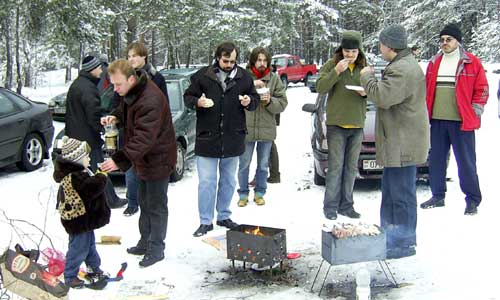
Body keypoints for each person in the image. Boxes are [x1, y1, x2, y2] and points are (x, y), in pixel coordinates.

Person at [360, 24, 429, 259]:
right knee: (392, 193)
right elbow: (388, 93)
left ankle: (403, 243)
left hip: (403, 143)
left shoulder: (401, 68)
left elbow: (383, 97)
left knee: (400, 195)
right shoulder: (403, 64)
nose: (379, 48)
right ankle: (390, 238)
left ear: (389, 45)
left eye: (381, 44)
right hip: (399, 142)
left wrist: (367, 78)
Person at [100, 59, 177, 267]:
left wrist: (119, 160)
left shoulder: (150, 99)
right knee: (144, 202)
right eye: (113, 85)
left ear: (131, 79)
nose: (115, 90)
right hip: (144, 159)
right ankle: (145, 242)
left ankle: (156, 248)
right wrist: (114, 118)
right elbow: (126, 111)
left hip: (158, 159)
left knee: (156, 205)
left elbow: (144, 137)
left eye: (118, 85)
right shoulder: (132, 92)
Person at [184, 41, 259, 237]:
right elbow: (188, 97)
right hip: (207, 138)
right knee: (207, 182)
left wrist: (249, 101)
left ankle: (224, 215)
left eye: (233, 61)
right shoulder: (203, 75)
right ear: (218, 58)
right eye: (226, 61)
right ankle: (205, 221)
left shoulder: (244, 77)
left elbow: (255, 99)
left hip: (233, 138)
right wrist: (197, 102)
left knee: (228, 181)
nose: (229, 64)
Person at [420, 23, 489, 215]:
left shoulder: (471, 62)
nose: (444, 43)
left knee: (466, 162)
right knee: (436, 160)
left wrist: (476, 110)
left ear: (457, 41)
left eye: (448, 39)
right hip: (437, 121)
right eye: (442, 40)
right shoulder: (434, 63)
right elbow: (427, 89)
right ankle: (437, 195)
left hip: (462, 122)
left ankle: (472, 199)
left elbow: (482, 89)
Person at [316, 30, 367, 220]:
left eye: (353, 51)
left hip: (357, 124)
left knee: (351, 168)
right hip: (336, 124)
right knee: (335, 167)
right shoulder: (332, 64)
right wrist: (336, 72)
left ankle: (347, 205)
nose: (350, 55)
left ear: (359, 51)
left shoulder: (364, 66)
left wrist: (366, 93)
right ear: (341, 50)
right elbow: (320, 87)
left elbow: (375, 90)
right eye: (347, 51)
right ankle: (330, 207)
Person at [65, 55, 126, 209]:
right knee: (100, 169)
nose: (101, 71)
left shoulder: (78, 84)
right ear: (92, 69)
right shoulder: (88, 88)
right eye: (99, 68)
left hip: (75, 136)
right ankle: (110, 200)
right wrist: (103, 128)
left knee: (81, 171)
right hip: (87, 139)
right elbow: (93, 115)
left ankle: (81, 199)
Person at [53, 137, 110, 288]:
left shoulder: (79, 173)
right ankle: (70, 276)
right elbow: (91, 189)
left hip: (84, 220)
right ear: (77, 159)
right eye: (86, 156)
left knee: (89, 245)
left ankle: (94, 268)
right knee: (78, 248)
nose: (89, 158)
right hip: (78, 220)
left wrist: (96, 174)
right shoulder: (75, 177)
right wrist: (101, 176)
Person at [122, 42, 170, 217]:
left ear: (144, 56)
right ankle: (132, 202)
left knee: (148, 173)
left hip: (150, 133)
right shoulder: (125, 77)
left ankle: (147, 205)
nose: (131, 59)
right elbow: (119, 104)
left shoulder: (156, 78)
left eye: (135, 55)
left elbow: (163, 106)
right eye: (129, 56)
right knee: (130, 171)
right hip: (130, 131)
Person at [237, 47, 287, 207]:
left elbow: (283, 103)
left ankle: (260, 193)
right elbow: (233, 96)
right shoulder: (243, 77)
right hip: (246, 129)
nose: (262, 63)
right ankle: (243, 194)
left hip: (266, 129)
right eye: (259, 60)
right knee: (244, 164)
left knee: (263, 165)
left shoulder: (274, 79)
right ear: (253, 61)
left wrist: (269, 101)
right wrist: (250, 87)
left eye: (264, 60)